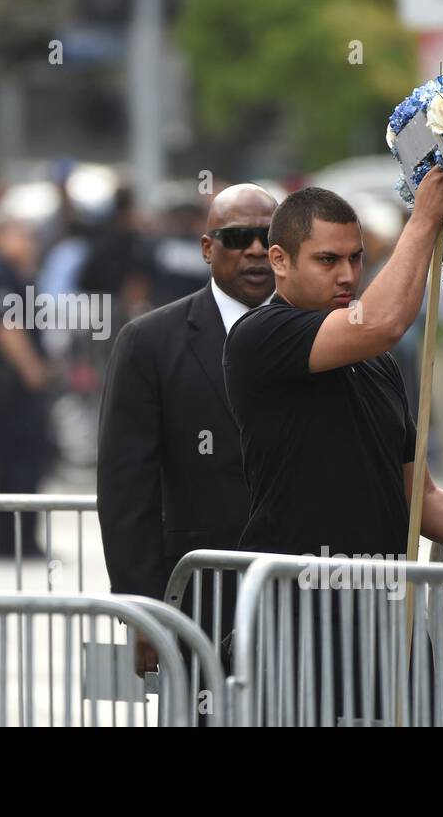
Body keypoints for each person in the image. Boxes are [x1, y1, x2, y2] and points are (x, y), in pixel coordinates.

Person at [222, 174, 443, 721]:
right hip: (296, 613)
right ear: (279, 260)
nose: (346, 275)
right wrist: (425, 219)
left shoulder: (378, 365)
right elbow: (385, 321)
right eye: (326, 260)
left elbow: (423, 499)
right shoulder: (259, 336)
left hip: (390, 613)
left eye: (355, 258)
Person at [97, 183, 278, 675]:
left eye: (268, 236)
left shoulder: (319, 331)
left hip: (298, 593)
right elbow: (125, 486)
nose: (257, 250)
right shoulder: (149, 342)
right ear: (207, 248)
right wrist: (144, 612)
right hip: (198, 598)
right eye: (238, 237)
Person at [0, 217, 53, 558]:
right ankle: (14, 543)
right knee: (16, 467)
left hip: (14, 392)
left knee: (21, 466)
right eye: (22, 234)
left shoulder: (15, 274)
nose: (29, 242)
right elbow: (6, 328)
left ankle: (19, 540)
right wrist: (33, 369)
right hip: (10, 393)